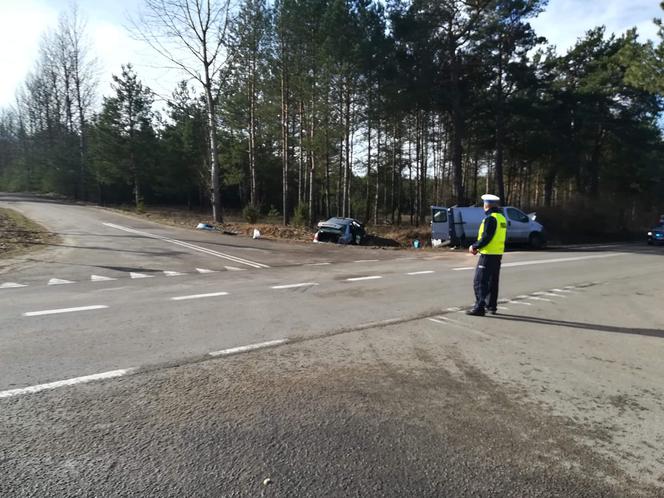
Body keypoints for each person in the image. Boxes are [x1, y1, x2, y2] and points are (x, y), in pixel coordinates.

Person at [466, 194, 507, 317]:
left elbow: (487, 237)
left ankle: (479, 307)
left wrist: (475, 246)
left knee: (479, 281)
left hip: (488, 255)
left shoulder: (490, 219)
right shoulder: (501, 218)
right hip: (497, 254)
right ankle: (491, 306)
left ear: (487, 205)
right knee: (492, 282)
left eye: (484, 204)